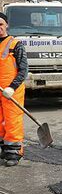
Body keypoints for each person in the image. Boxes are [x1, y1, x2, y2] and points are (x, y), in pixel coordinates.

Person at [0, 12, 28, 167]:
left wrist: (11, 87)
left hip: (12, 90)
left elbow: (23, 70)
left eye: (1, 25)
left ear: (6, 25)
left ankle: (14, 152)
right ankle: (4, 149)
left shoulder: (15, 44)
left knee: (12, 121)